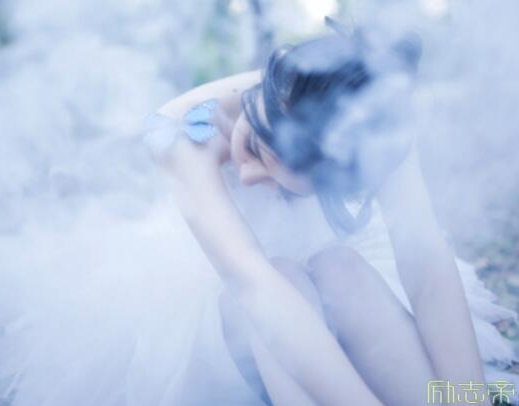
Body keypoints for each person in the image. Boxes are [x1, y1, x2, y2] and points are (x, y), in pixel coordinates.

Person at [144, 23, 519, 406]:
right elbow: (256, 286)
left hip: (338, 277)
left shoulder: (373, 117)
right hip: (232, 303)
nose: (246, 177)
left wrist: (467, 397)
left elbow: (425, 264)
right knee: (282, 278)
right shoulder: (180, 129)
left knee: (341, 267)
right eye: (254, 146)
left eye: (283, 182)